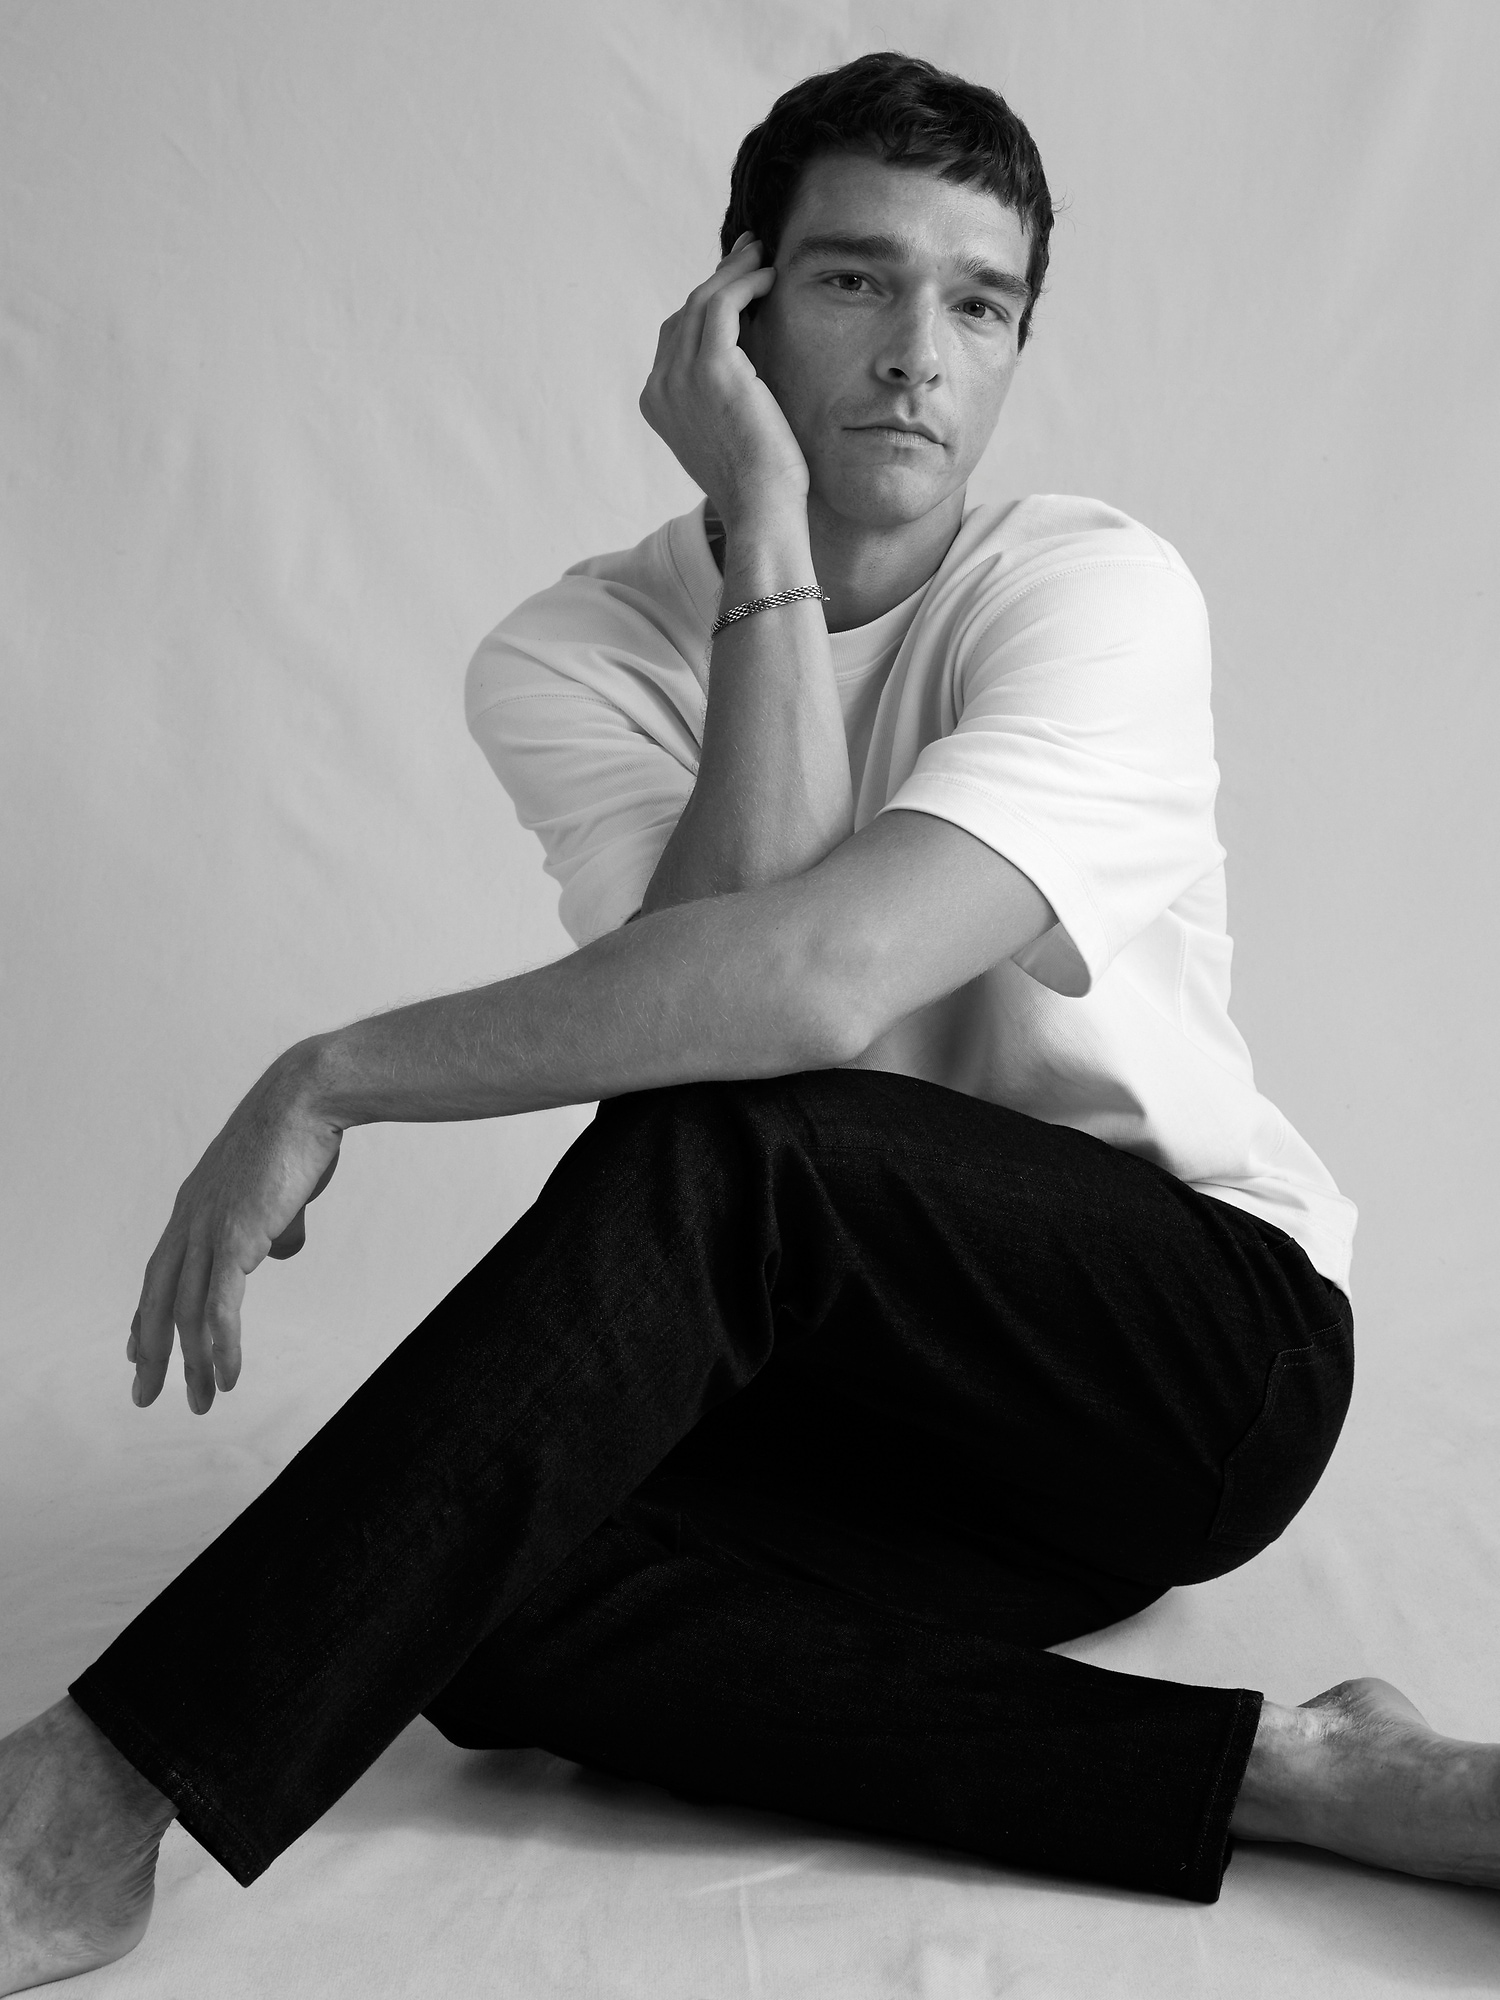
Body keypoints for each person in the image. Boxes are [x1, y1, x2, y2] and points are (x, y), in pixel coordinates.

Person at [1, 48, 1496, 1997]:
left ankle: (96, 1795)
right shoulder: (578, 649)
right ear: (736, 306)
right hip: (867, 1409)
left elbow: (799, 1001)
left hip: (1182, 1365)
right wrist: (765, 520)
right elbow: (726, 996)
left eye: (981, 306)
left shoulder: (1092, 591)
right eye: (859, 280)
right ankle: (1306, 1774)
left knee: (719, 1142)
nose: (920, 356)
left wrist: (331, 1073)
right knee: (483, 1598)